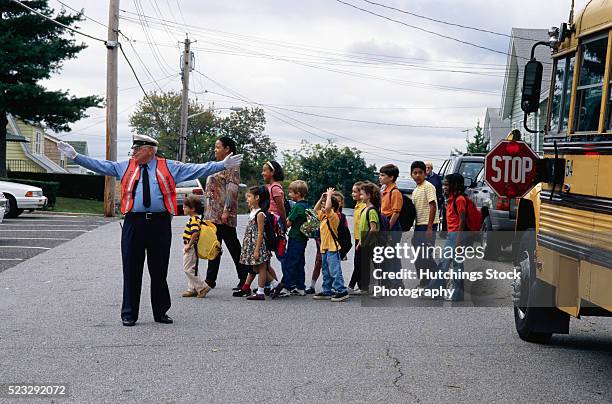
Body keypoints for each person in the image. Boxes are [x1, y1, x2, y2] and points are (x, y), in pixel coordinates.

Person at [57, 135, 242, 326]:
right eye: (133, 149)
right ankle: (129, 313)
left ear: (150, 150)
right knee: (131, 269)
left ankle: (160, 312)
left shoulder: (169, 166)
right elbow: (100, 165)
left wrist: (222, 164)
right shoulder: (124, 166)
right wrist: (76, 156)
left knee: (159, 269)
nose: (134, 152)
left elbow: (198, 168)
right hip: (133, 223)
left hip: (159, 223)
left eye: (138, 148)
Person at [203, 137, 249, 292]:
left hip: (223, 215)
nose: (215, 150)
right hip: (212, 214)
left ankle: (244, 278)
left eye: (218, 147)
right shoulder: (217, 166)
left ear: (227, 149)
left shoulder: (232, 166)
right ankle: (210, 280)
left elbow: (232, 190)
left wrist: (226, 211)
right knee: (214, 246)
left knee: (233, 247)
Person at [426, 174, 465, 301]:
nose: (444, 187)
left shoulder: (460, 200)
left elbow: (462, 221)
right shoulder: (452, 199)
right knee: (457, 265)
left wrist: (458, 242)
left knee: (444, 263)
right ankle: (457, 294)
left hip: (456, 236)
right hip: (453, 235)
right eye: (444, 184)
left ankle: (433, 290)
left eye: (447, 184)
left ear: (456, 185)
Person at [239, 186, 279, 301]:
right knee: (256, 268)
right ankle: (275, 285)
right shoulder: (253, 211)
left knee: (261, 268)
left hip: (258, 245)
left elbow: (261, 233)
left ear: (257, 198)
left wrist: (256, 249)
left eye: (249, 197)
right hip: (252, 244)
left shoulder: (260, 214)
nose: (247, 199)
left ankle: (261, 292)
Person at [312, 188, 349, 302]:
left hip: (333, 247)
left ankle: (341, 290)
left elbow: (328, 208)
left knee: (334, 270)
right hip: (325, 248)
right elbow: (315, 210)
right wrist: (322, 198)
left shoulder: (333, 216)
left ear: (332, 207)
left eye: (325, 206)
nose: (323, 208)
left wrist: (329, 195)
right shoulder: (323, 217)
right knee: (326, 270)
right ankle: (327, 289)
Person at [275, 180, 310, 297]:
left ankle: (287, 286)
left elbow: (288, 223)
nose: (289, 195)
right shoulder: (306, 205)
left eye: (291, 193)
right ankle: (300, 287)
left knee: (289, 262)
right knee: (300, 262)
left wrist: (280, 224)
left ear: (298, 193)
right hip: (303, 238)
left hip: (295, 237)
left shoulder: (297, 207)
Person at [411, 161, 440, 288]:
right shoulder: (416, 190)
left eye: (420, 173)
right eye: (415, 173)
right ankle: (424, 282)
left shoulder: (428, 186)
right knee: (419, 257)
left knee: (426, 256)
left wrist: (429, 228)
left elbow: (432, 206)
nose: (417, 175)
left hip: (428, 225)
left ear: (425, 174)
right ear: (411, 174)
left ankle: (439, 282)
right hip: (418, 225)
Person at [180, 195, 211, 299]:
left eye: (185, 207)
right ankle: (192, 288)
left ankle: (202, 287)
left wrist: (189, 245)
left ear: (192, 209)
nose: (183, 208)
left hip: (191, 246)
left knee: (187, 269)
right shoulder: (196, 218)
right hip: (191, 245)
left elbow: (195, 233)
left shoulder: (194, 219)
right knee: (192, 268)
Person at [379, 164, 403, 287]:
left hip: (391, 225)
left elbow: (396, 212)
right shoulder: (384, 190)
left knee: (392, 254)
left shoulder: (395, 192)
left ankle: (397, 282)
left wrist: (387, 229)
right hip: (385, 223)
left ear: (391, 177)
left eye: (383, 175)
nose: (380, 177)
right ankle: (391, 281)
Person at [355, 182, 381, 295]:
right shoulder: (365, 209)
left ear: (369, 195)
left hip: (373, 243)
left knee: (377, 266)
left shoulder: (372, 211)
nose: (360, 196)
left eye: (362, 194)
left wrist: (364, 241)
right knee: (365, 266)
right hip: (366, 243)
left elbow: (373, 228)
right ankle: (364, 288)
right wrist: (361, 241)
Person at [348, 181, 366, 294]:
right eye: (352, 191)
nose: (353, 194)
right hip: (357, 238)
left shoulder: (364, 207)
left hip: (363, 238)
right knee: (358, 262)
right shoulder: (357, 205)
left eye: (355, 191)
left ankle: (351, 285)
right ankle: (361, 285)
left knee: (359, 262)